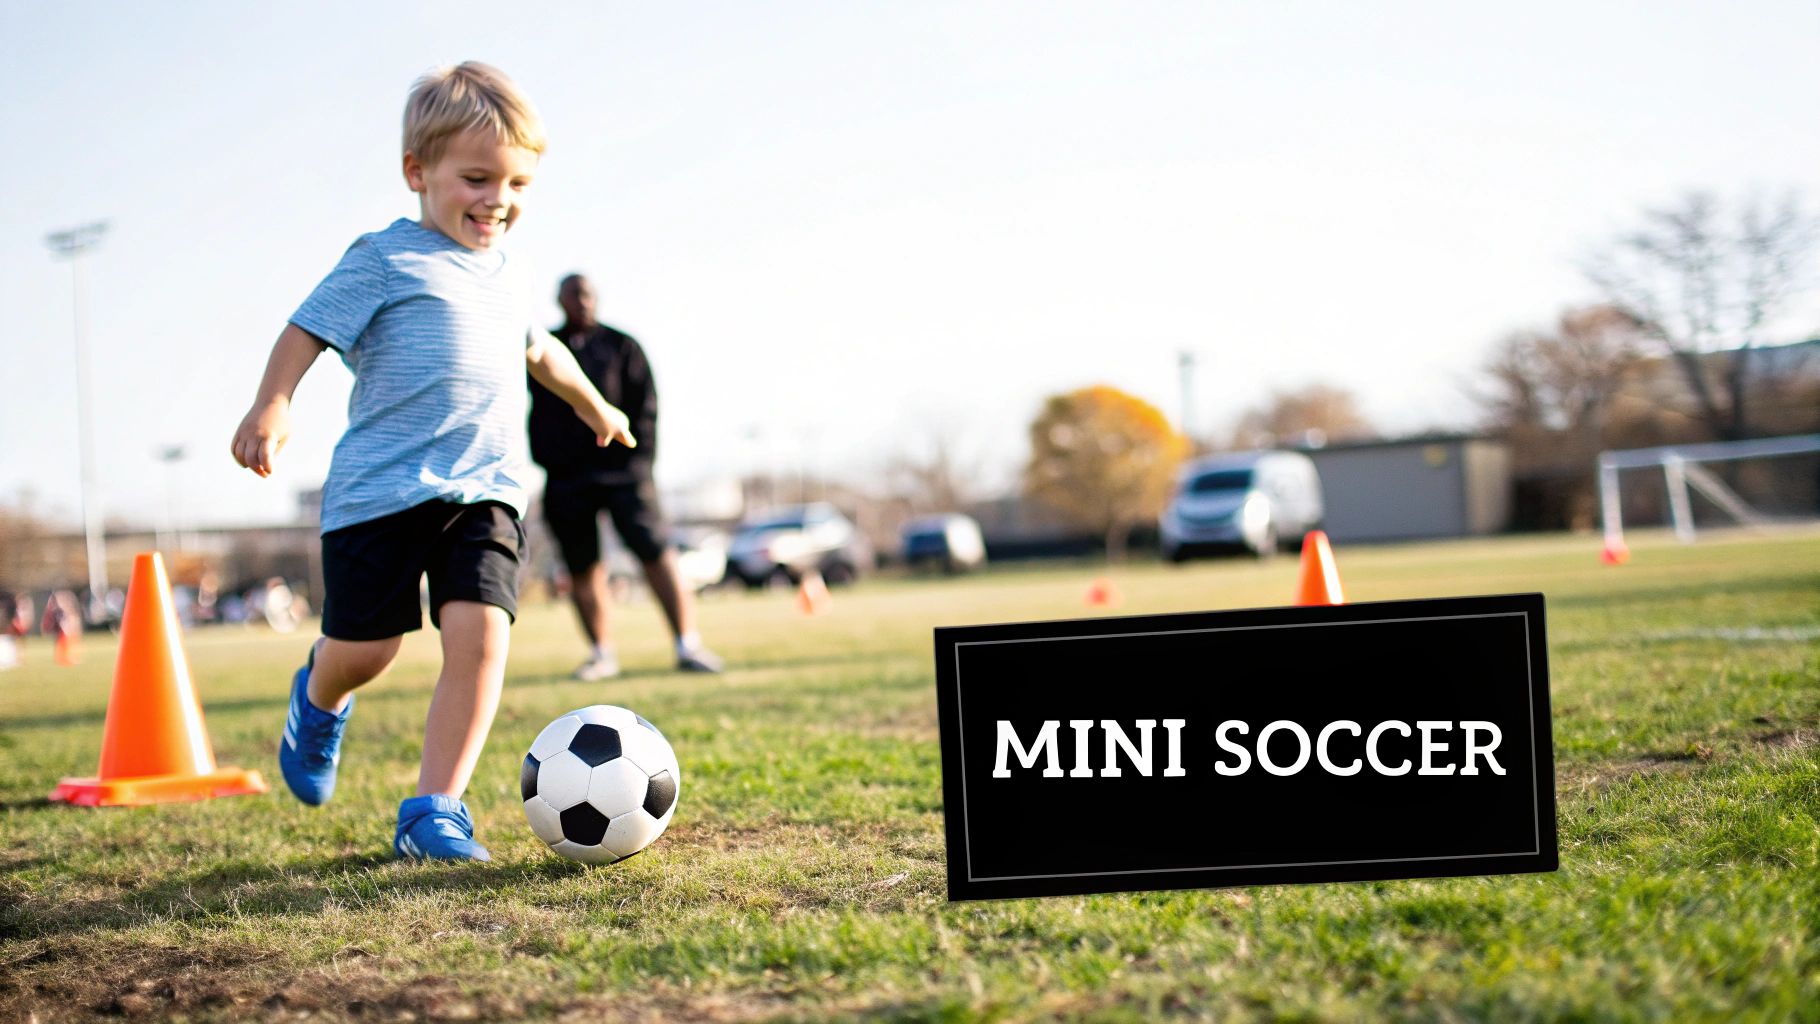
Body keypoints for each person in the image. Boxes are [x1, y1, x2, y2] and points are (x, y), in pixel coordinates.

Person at [230, 62, 634, 862]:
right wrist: (273, 404)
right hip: (377, 495)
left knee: (482, 638)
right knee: (366, 653)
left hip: (482, 490)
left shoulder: (511, 274)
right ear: (418, 173)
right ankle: (318, 696)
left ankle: (433, 810)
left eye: (517, 182)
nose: (499, 200)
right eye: (477, 178)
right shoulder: (384, 258)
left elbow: (540, 353)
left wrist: (593, 404)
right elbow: (305, 329)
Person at [529, 274, 724, 679]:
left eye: (587, 294)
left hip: (624, 474)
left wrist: (638, 463)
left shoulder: (623, 345)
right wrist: (549, 459)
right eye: (573, 295)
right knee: (583, 566)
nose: (581, 301)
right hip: (567, 478)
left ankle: (688, 643)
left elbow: (647, 406)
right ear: (560, 300)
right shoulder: (544, 346)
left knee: (655, 551)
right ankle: (601, 654)